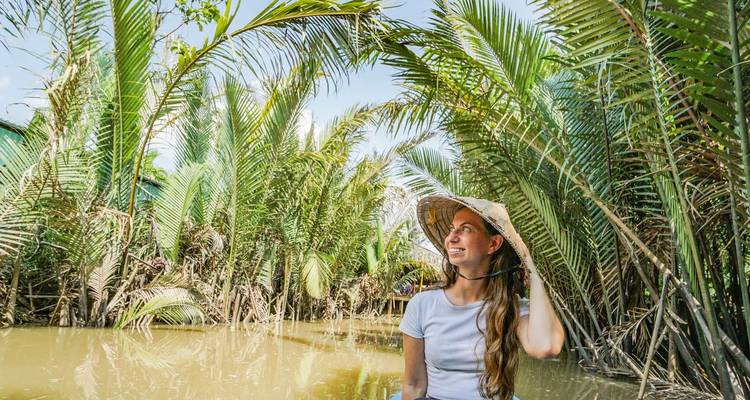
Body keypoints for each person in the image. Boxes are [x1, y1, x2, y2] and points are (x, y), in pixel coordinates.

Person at [398, 195, 565, 400]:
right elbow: (414, 385)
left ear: (493, 243)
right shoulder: (422, 305)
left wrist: (530, 267)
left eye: (466, 229)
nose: (452, 237)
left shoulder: (512, 307)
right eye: (452, 229)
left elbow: (546, 347)